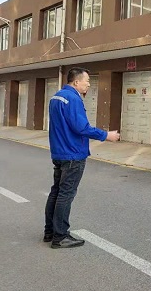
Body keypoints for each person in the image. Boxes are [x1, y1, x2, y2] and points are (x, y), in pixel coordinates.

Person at [44, 67, 120, 249]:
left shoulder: (56, 97)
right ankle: (60, 236)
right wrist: (106, 135)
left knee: (56, 192)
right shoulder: (73, 98)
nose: (89, 84)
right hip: (72, 154)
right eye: (87, 81)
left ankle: (50, 231)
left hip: (59, 152)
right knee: (66, 194)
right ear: (76, 82)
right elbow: (82, 127)